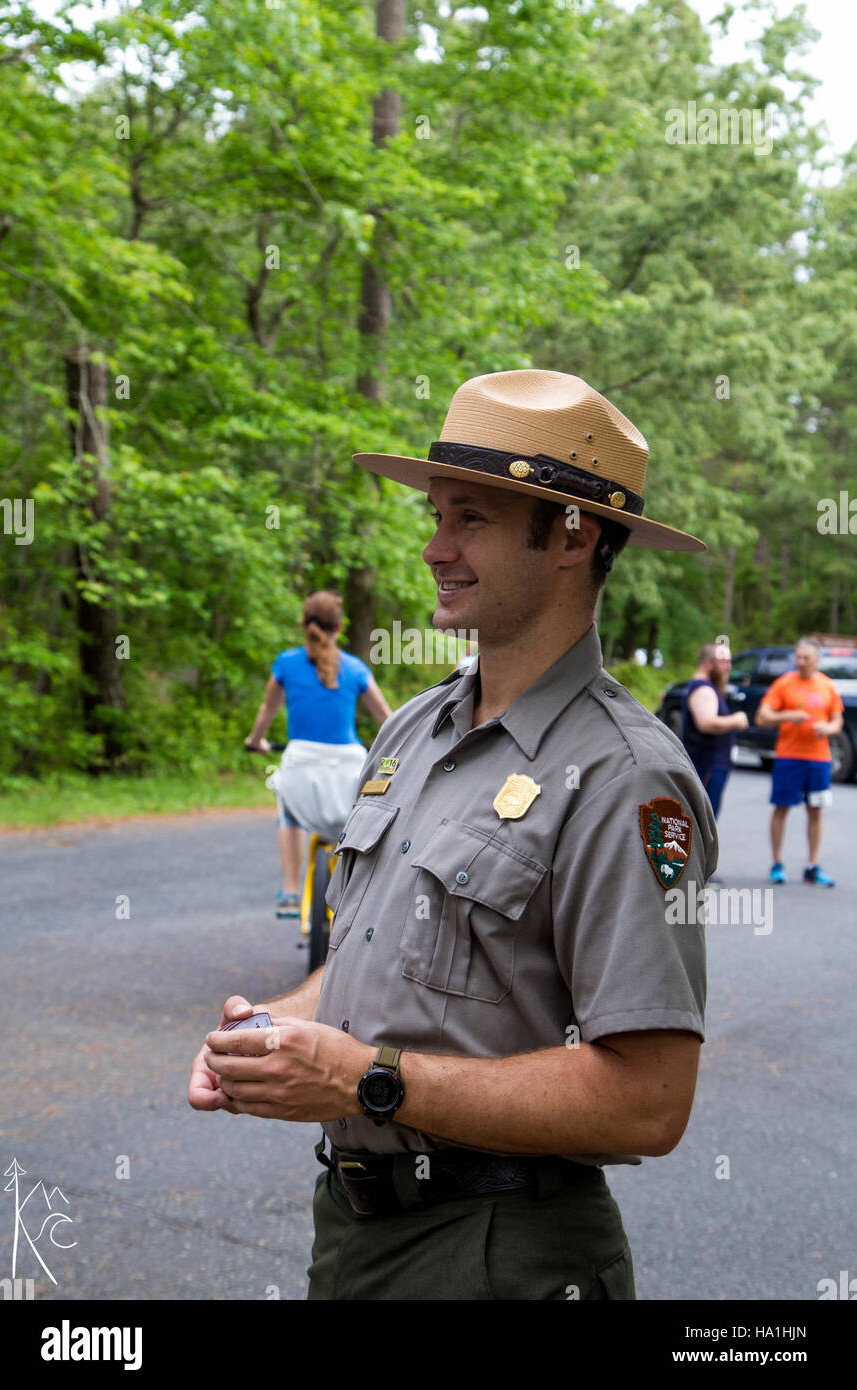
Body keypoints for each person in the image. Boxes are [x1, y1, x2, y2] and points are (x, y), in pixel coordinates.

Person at [190, 370, 717, 1301]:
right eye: (436, 515)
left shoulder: (629, 777)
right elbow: (383, 951)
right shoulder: (411, 730)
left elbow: (651, 1098)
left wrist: (371, 1083)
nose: (434, 548)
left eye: (467, 518)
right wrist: (283, 1025)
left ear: (571, 534)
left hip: (501, 1255)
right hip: (352, 1232)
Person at [245, 590, 391, 914]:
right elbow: (387, 717)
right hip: (350, 764)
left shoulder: (286, 663)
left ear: (303, 624)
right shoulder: (355, 668)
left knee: (289, 809)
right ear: (339, 628)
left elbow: (267, 709)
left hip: (302, 760)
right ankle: (354, 893)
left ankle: (289, 894)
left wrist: (256, 740)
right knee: (352, 819)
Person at [755, 636, 843, 886]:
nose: (800, 661)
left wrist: (828, 728)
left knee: (815, 811)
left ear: (817, 660)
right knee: (781, 808)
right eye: (798, 656)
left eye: (806, 658)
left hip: (819, 760)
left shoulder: (827, 686)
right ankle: (776, 863)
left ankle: (812, 866)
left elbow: (837, 722)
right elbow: (762, 718)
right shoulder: (784, 684)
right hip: (789, 757)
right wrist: (788, 715)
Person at [681, 637, 748, 818]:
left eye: (729, 662)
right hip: (707, 765)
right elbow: (706, 723)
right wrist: (736, 720)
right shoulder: (703, 690)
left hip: (712, 764)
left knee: (705, 820)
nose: (728, 667)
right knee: (702, 822)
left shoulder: (708, 687)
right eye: (724, 662)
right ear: (709, 663)